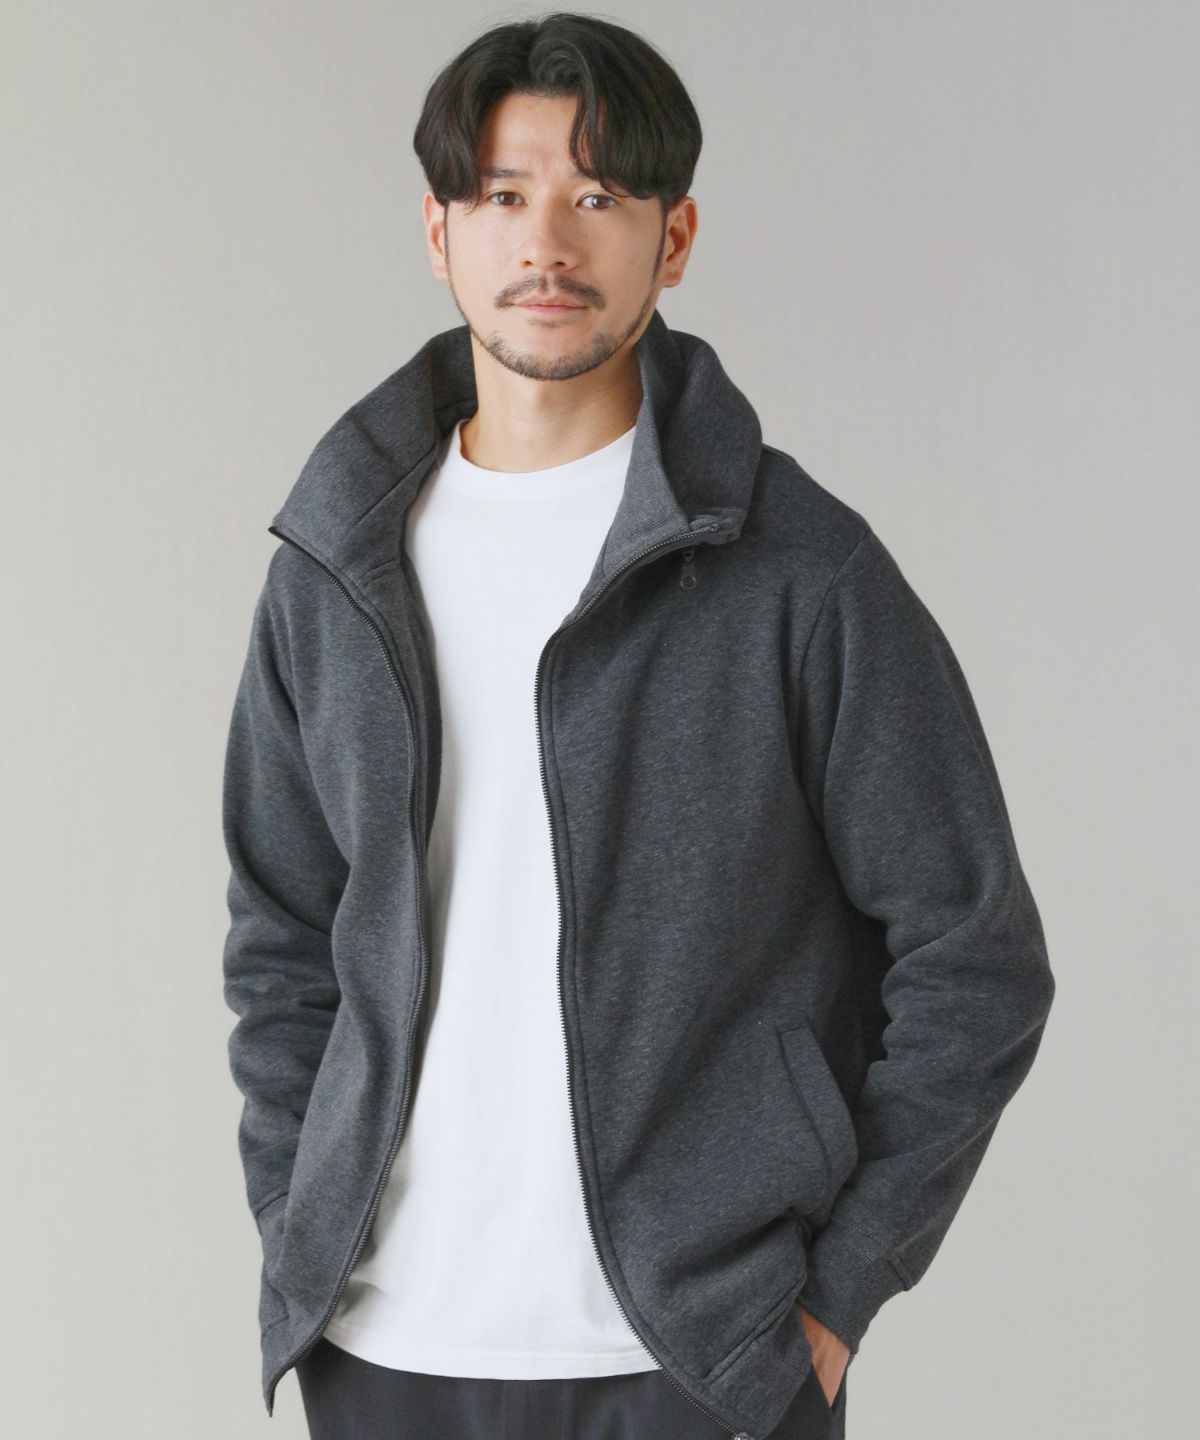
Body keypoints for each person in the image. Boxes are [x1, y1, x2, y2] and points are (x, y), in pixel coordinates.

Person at [220, 14, 1056, 1440]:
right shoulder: (335, 567)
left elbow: (977, 957)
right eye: (503, 193)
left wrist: (837, 1297)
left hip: (702, 1359)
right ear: (438, 231)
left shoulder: (800, 570)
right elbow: (283, 938)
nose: (547, 241)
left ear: (673, 239)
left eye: (599, 194)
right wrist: (304, 1221)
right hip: (382, 1345)